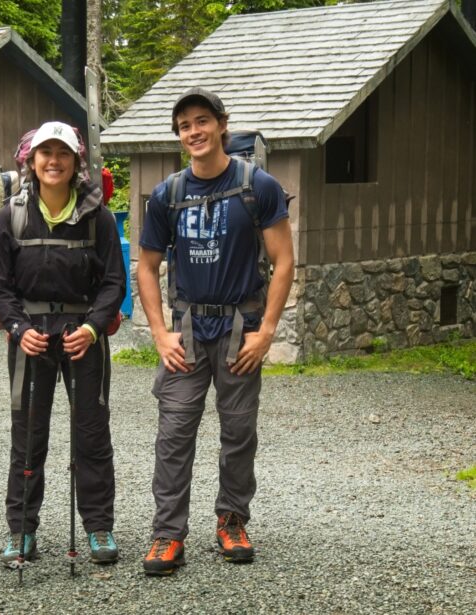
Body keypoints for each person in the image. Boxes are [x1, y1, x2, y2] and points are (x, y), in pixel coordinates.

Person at [137, 88, 294, 575]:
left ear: (222, 124)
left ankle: (232, 520)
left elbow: (284, 260)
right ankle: (167, 534)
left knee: (239, 432)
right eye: (185, 126)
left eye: (202, 121)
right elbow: (146, 266)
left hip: (239, 332)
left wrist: (266, 330)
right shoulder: (168, 194)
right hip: (186, 332)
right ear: (179, 136)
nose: (194, 132)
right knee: (174, 434)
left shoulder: (258, 186)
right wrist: (160, 334)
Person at [0, 121, 126, 567]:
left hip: (82, 335)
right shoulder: (11, 215)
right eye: (44, 153)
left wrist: (93, 328)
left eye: (61, 153)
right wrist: (16, 327)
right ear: (30, 161)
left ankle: (98, 527)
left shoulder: (97, 216)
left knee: (91, 434)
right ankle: (21, 530)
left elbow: (112, 282)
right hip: (30, 335)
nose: (53, 161)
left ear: (75, 162)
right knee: (28, 436)